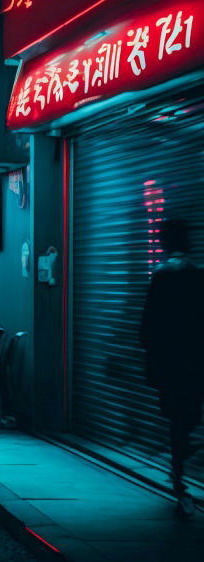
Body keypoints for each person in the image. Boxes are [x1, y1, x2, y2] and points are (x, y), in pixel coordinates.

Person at [139, 219, 204, 518]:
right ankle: (179, 465)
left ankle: (178, 469)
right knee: (186, 415)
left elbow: (149, 324)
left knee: (177, 415)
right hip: (193, 359)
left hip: (169, 360)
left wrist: (152, 356)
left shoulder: (163, 276)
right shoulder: (196, 275)